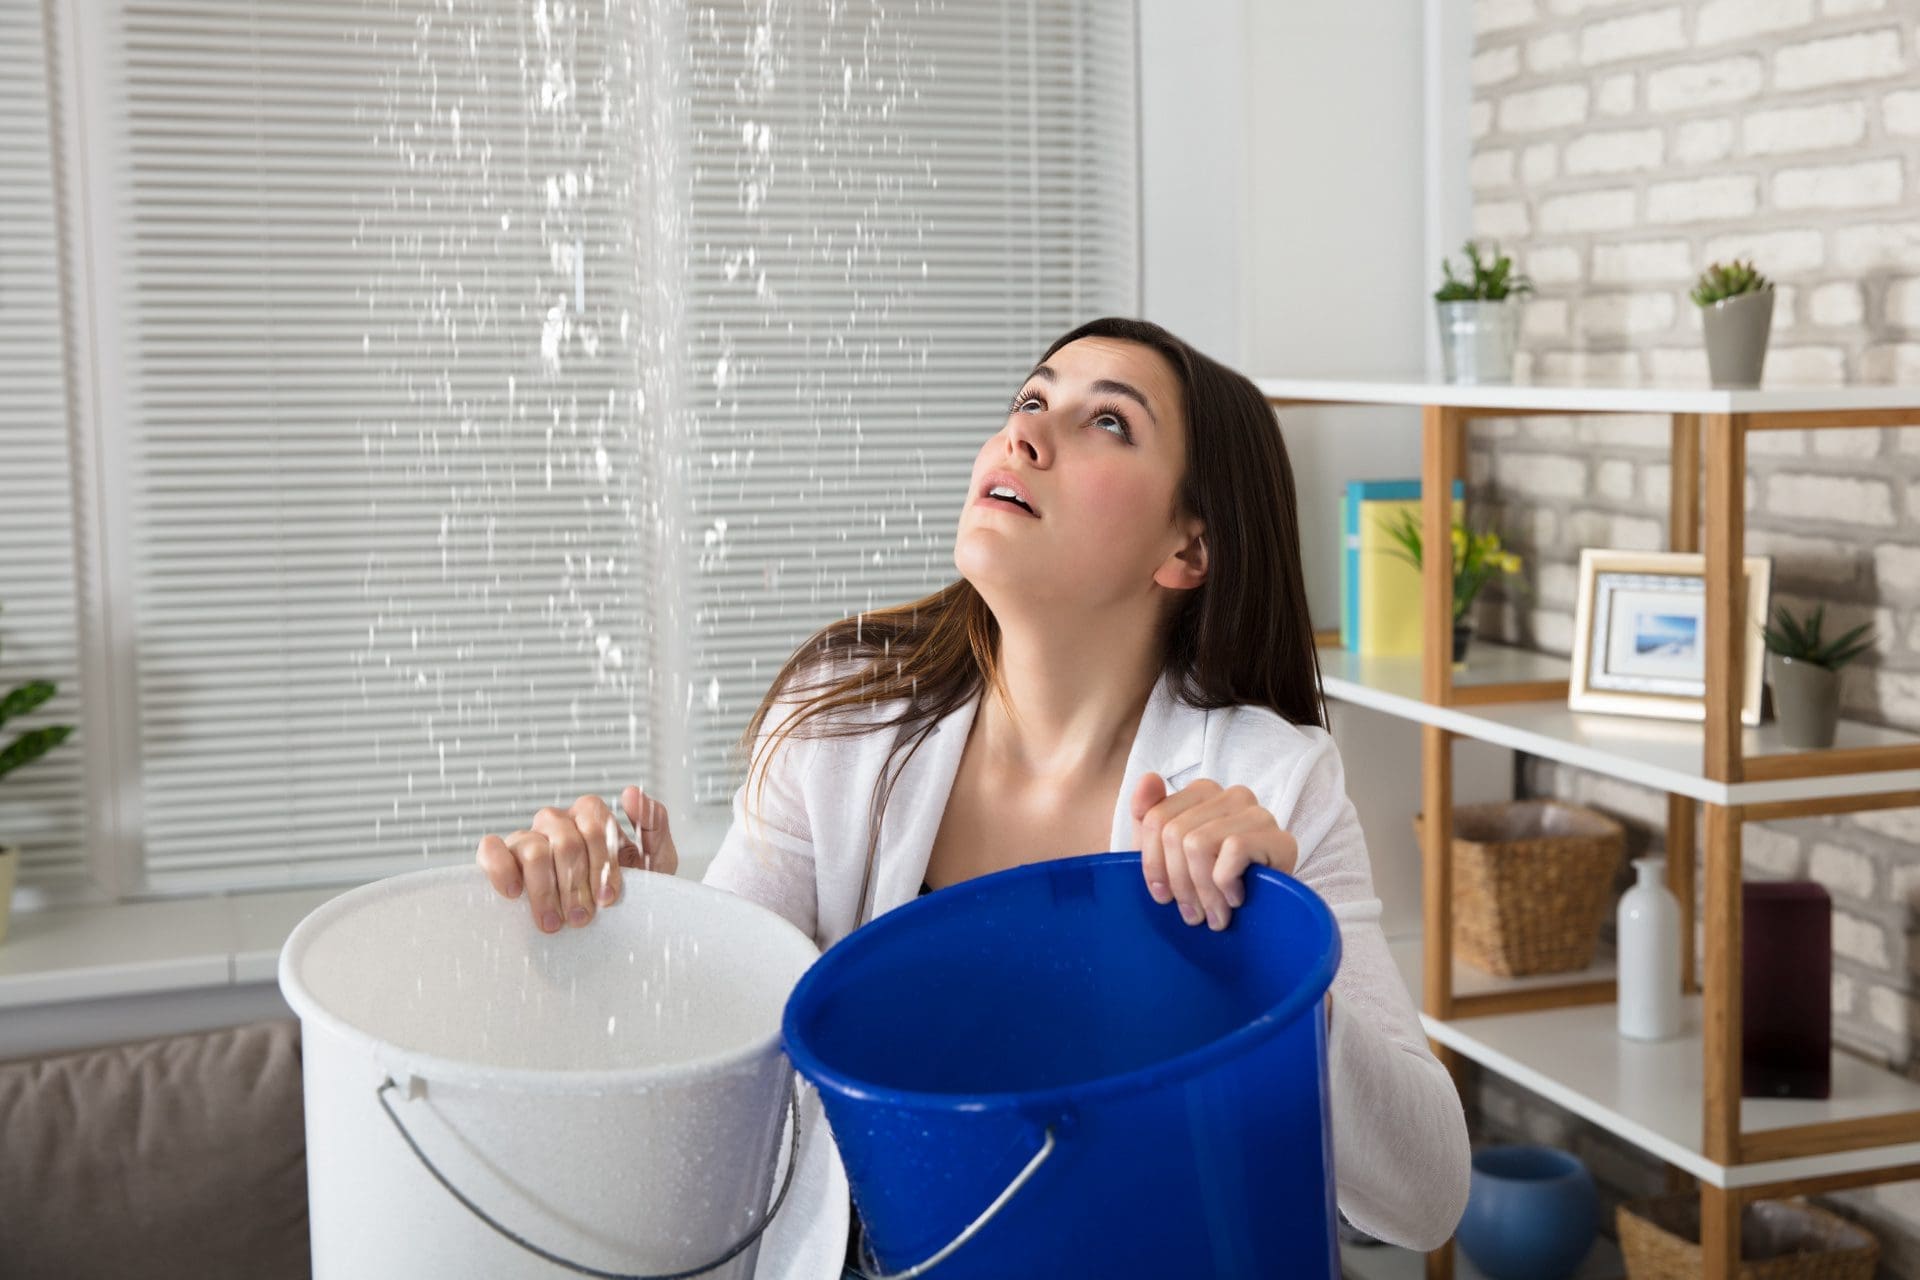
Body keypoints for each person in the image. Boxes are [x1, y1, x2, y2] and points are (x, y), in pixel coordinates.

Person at [477, 316, 1472, 1270]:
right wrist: (632, 930)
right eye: (1031, 399)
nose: (1025, 431)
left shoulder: (1270, 782)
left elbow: (1426, 1192)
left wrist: (1282, 955)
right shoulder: (837, 726)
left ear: (1188, 550)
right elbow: (718, 1071)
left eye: (1107, 420)